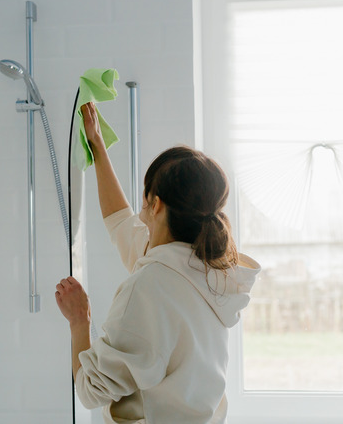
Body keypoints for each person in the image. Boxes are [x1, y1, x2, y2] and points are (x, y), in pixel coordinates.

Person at [55, 102, 261, 424]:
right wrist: (97, 147)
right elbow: (120, 222)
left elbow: (90, 390)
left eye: (144, 199)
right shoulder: (208, 269)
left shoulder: (148, 287)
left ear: (156, 204)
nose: (139, 212)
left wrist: (79, 320)